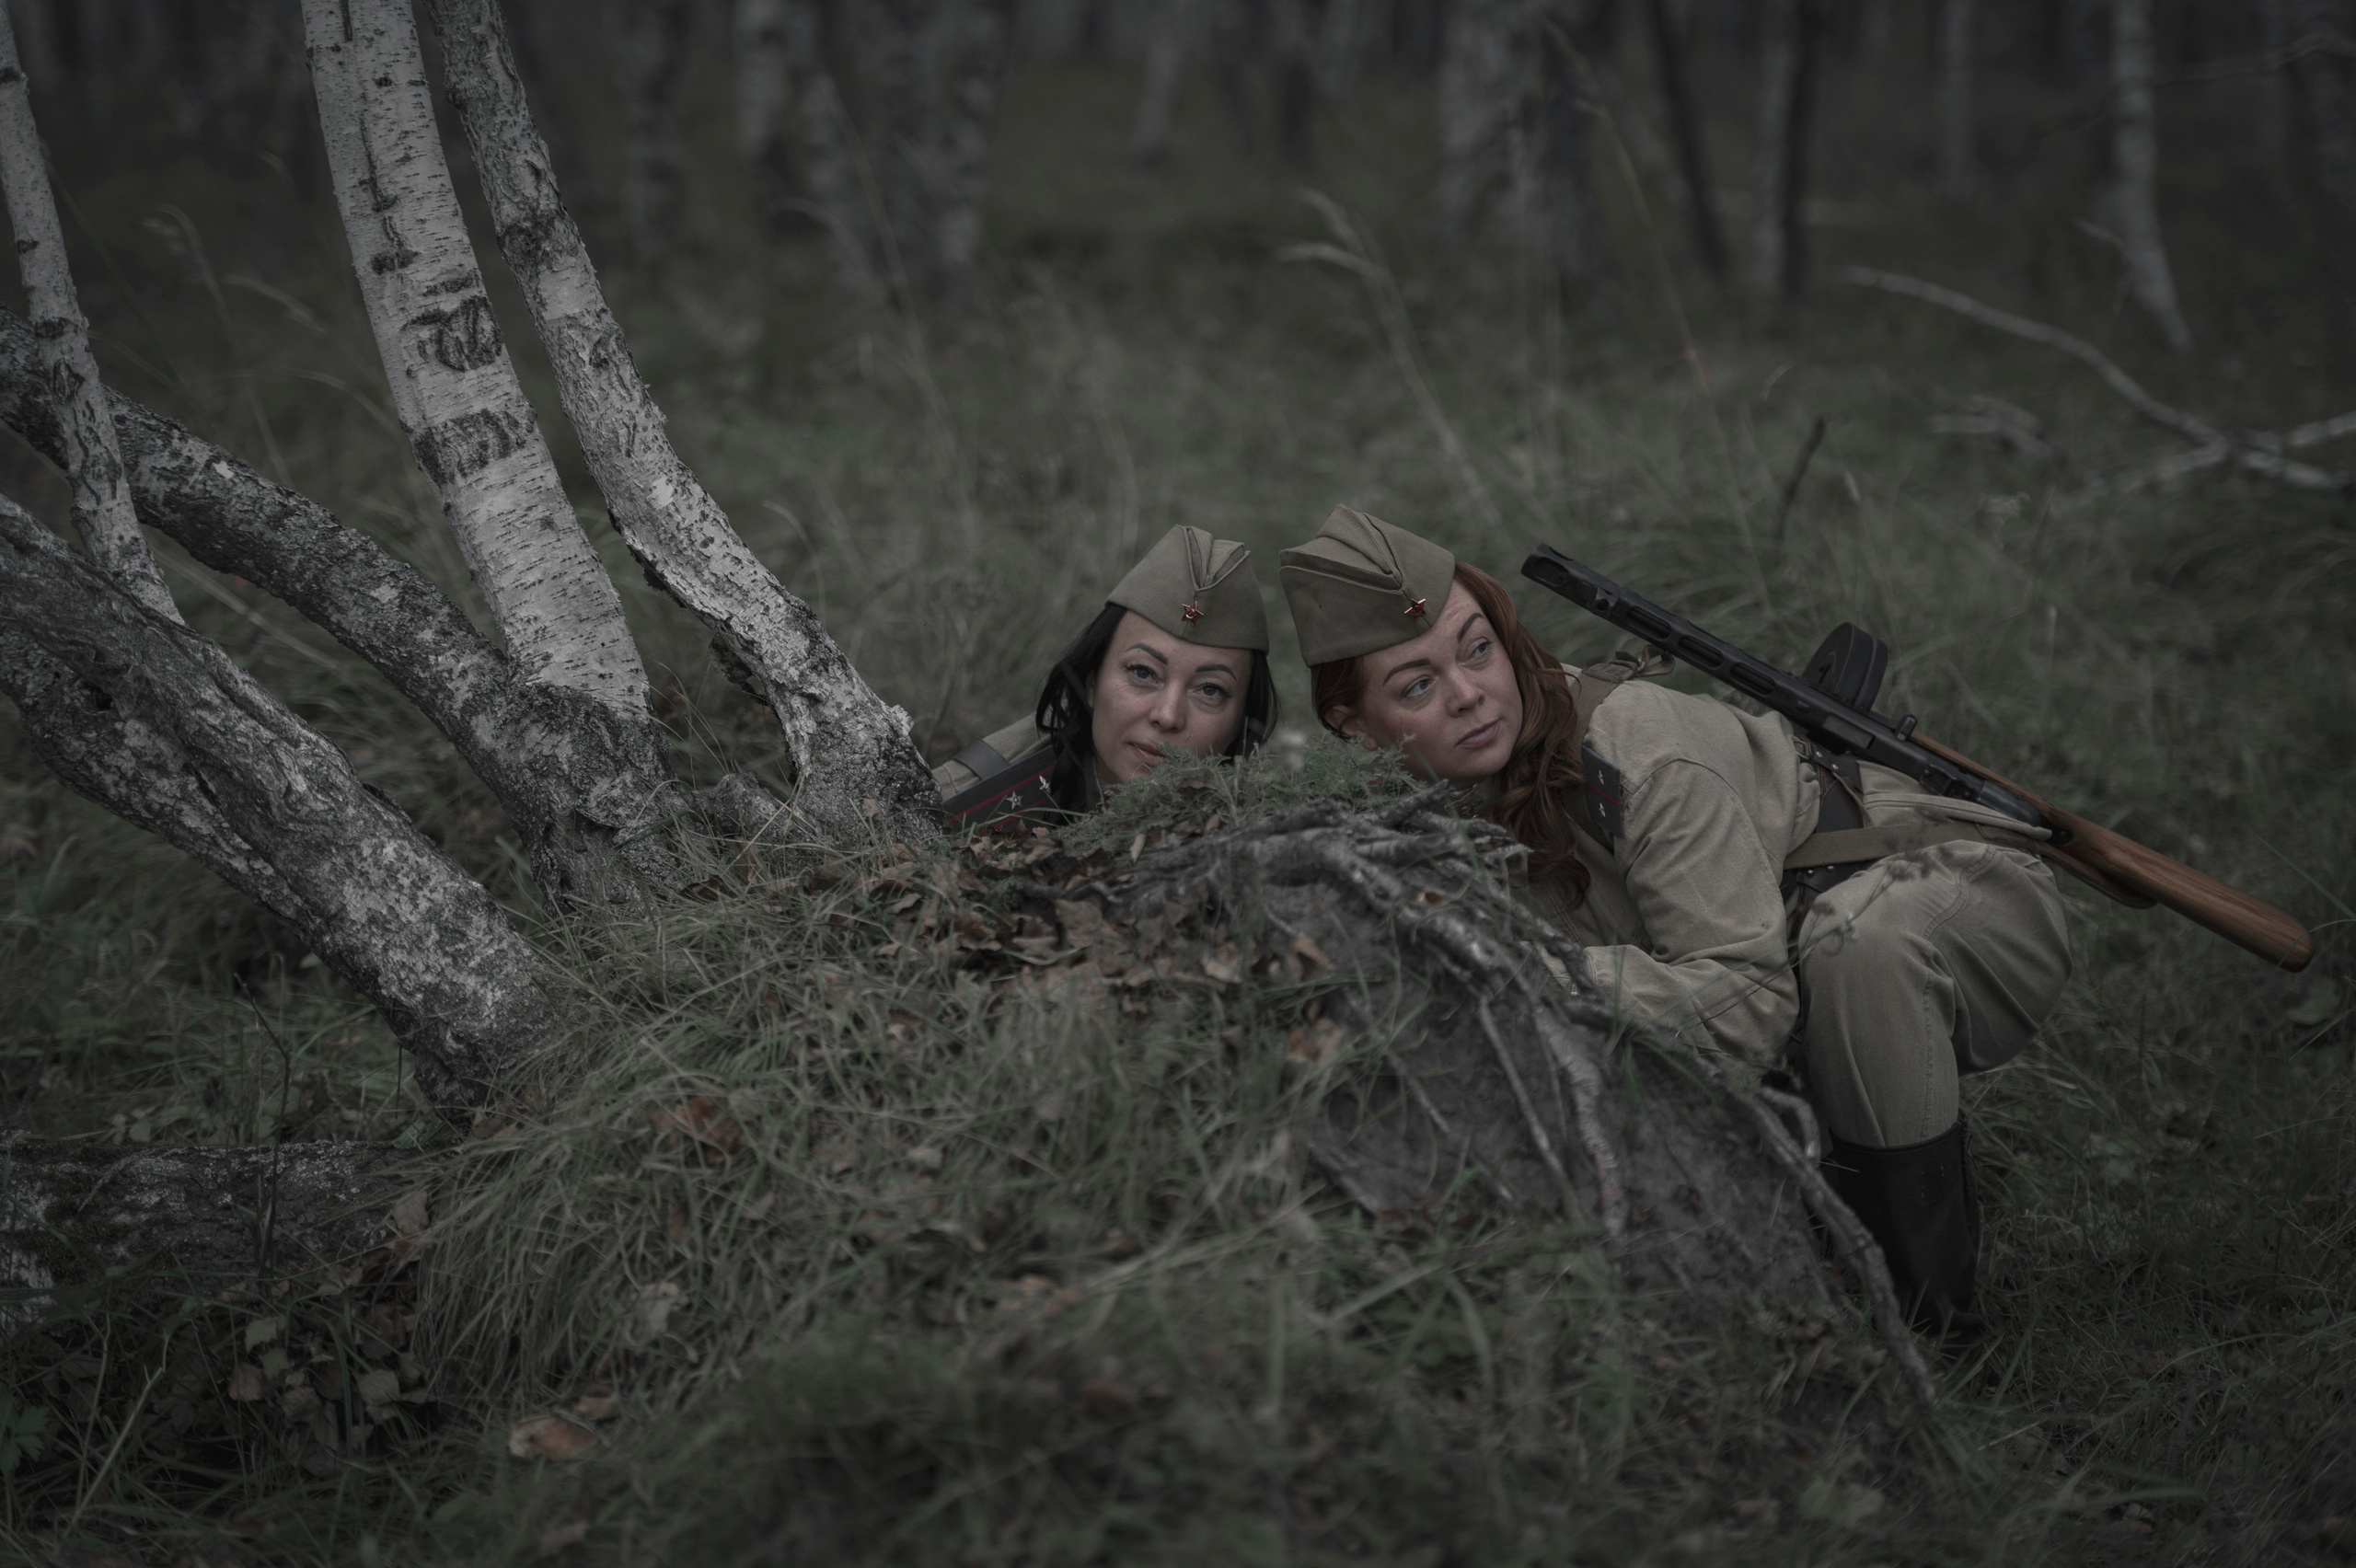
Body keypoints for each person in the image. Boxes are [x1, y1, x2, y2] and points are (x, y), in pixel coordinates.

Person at [1277, 506, 2071, 1339]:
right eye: (1418, 686)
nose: (1471, 693)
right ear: (1354, 729)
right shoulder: (1419, 809)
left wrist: (1533, 978)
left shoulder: (1642, 756)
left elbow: (1746, 1002)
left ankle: (1927, 1322)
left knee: (1856, 943)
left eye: (1479, 650)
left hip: (1951, 890)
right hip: (1803, 948)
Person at [932, 525, 1277, 825]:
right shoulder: (969, 801)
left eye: (1211, 690)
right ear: (1092, 682)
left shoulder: (1277, 837)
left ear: (1242, 723)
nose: (1167, 716)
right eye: (1143, 672)